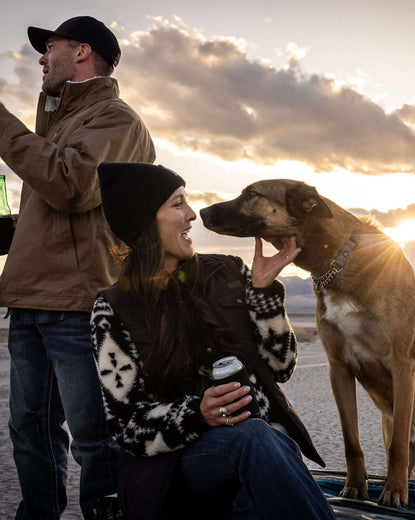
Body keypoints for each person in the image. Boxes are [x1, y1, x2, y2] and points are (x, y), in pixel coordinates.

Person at [91, 161, 336, 520]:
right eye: (177, 204)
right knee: (253, 437)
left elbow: (279, 368)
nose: (192, 215)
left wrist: (265, 293)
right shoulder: (114, 308)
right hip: (179, 470)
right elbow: (128, 426)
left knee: (258, 445)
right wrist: (198, 413)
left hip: (263, 452)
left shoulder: (229, 272)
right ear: (145, 220)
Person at [0, 16, 155, 520]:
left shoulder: (117, 120)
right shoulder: (58, 123)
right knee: (29, 431)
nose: (42, 58)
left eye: (50, 47)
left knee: (95, 437)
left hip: (79, 305)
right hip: (28, 301)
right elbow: (44, 217)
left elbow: (70, 186)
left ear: (83, 51)